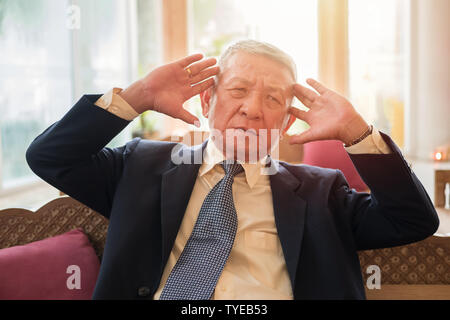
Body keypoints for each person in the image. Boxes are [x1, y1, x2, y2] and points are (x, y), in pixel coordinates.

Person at [26, 40, 439, 300]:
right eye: (238, 90)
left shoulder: (321, 191)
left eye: (273, 100)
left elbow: (413, 220)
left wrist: (356, 132)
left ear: (284, 123)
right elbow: (51, 157)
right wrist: (138, 96)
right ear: (207, 103)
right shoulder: (139, 166)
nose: (253, 109)